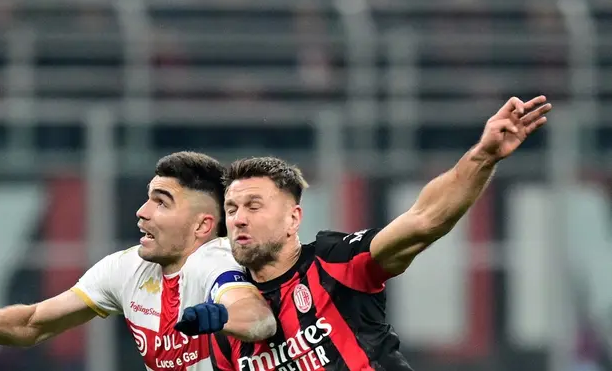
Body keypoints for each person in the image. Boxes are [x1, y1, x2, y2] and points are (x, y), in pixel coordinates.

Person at [208, 96, 551, 371]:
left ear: (293, 219)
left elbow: (424, 220)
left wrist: (483, 156)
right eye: (232, 209)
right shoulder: (227, 320)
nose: (239, 219)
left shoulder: (334, 263)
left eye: (254, 206)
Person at [0, 151, 277, 370]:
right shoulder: (126, 269)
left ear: (202, 226)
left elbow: (259, 319)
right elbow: (33, 323)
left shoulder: (217, 258)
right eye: (148, 199)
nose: (142, 212)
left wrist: (222, 316)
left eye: (161, 202)